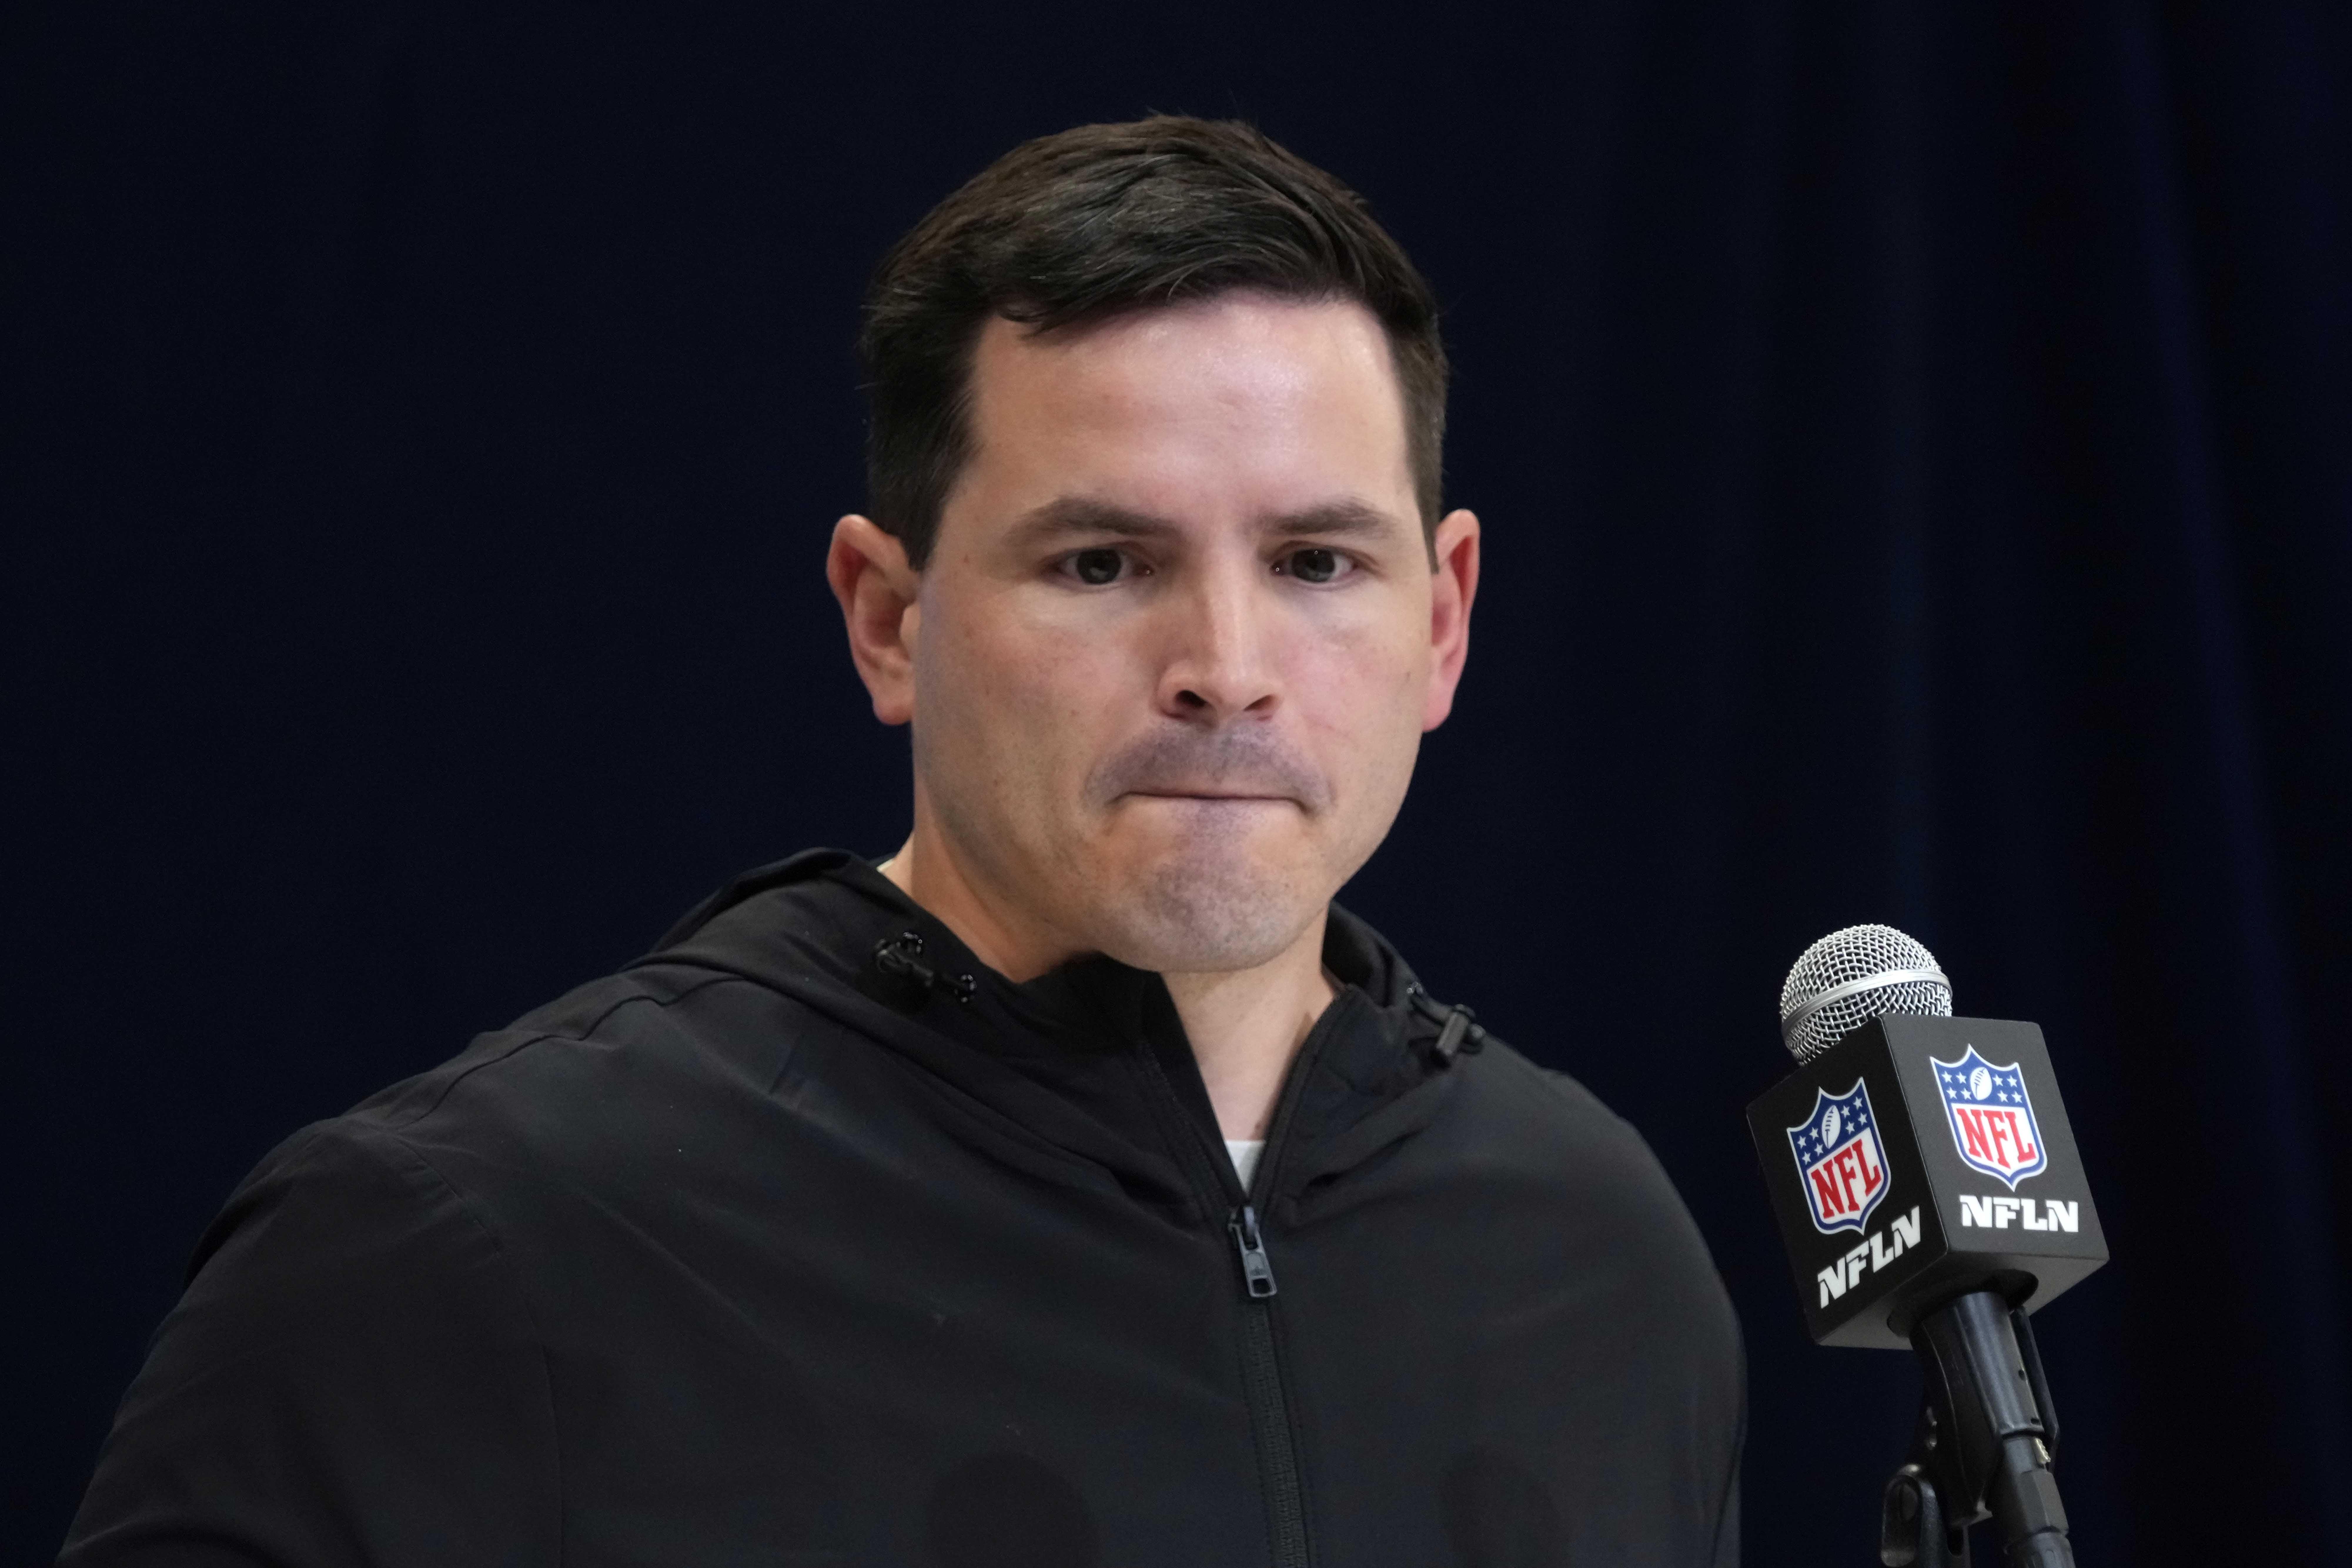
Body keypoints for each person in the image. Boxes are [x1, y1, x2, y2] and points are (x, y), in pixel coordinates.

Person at [61, 116, 1742, 1567]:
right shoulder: (473, 1246)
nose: (1224, 666)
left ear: (1441, 622)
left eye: (1316, 562)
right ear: (886, 615)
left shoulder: (1597, 1259)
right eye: (1099, 561)